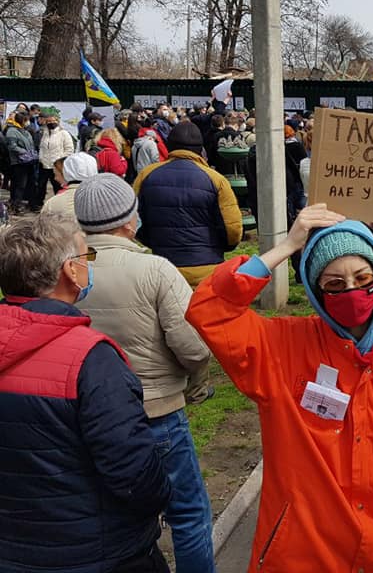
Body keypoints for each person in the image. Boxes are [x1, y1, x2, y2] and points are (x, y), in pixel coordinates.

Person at [186, 205, 373, 572]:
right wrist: (286, 246)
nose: (352, 291)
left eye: (363, 278)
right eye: (334, 284)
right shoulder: (280, 348)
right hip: (303, 557)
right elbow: (210, 309)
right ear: (315, 290)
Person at [0, 213, 172, 573]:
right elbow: (134, 473)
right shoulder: (90, 359)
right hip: (99, 552)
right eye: (85, 258)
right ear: (70, 271)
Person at [73, 174, 215, 573]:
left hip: (89, 418)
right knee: (187, 513)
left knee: (112, 514)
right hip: (158, 412)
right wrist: (195, 383)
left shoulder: (68, 270)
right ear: (131, 220)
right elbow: (194, 345)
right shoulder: (156, 269)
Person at [134, 120, 242, 288]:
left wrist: (154, 242)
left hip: (163, 268)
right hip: (207, 268)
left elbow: (134, 220)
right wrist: (221, 247)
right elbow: (233, 229)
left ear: (169, 146)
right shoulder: (216, 179)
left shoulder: (146, 175)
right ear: (201, 149)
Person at [41, 152, 99, 219]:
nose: (55, 178)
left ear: (66, 172)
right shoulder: (105, 198)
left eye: (56, 174)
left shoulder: (52, 204)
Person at [4, 109, 39, 215]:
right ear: (22, 120)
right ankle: (16, 206)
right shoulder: (12, 131)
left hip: (29, 161)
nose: (28, 122)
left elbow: (31, 144)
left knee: (31, 183)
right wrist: (25, 152)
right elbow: (12, 146)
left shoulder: (25, 131)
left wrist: (32, 154)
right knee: (20, 185)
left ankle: (32, 204)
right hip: (19, 163)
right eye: (26, 120)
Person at [38, 107, 76, 200]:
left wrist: (59, 160)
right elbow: (42, 148)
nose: (51, 123)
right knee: (40, 187)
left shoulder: (64, 133)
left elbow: (69, 150)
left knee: (58, 187)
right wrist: (41, 158)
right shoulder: (44, 134)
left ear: (57, 121)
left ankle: (59, 203)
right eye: (48, 121)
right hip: (44, 165)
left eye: (53, 121)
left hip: (57, 166)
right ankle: (37, 204)